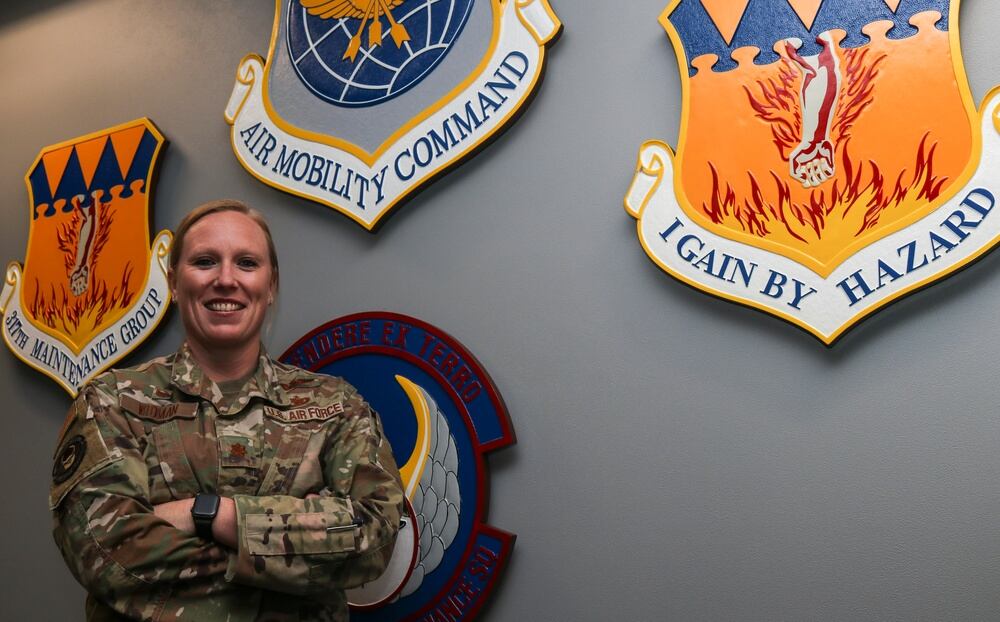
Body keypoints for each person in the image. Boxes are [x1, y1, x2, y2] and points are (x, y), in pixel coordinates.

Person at [50, 199, 404, 621]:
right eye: (204, 261)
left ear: (271, 286)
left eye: (247, 263)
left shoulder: (334, 405)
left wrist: (210, 515)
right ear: (174, 283)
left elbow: (374, 536)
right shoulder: (111, 402)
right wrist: (294, 555)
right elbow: (105, 554)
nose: (226, 279)